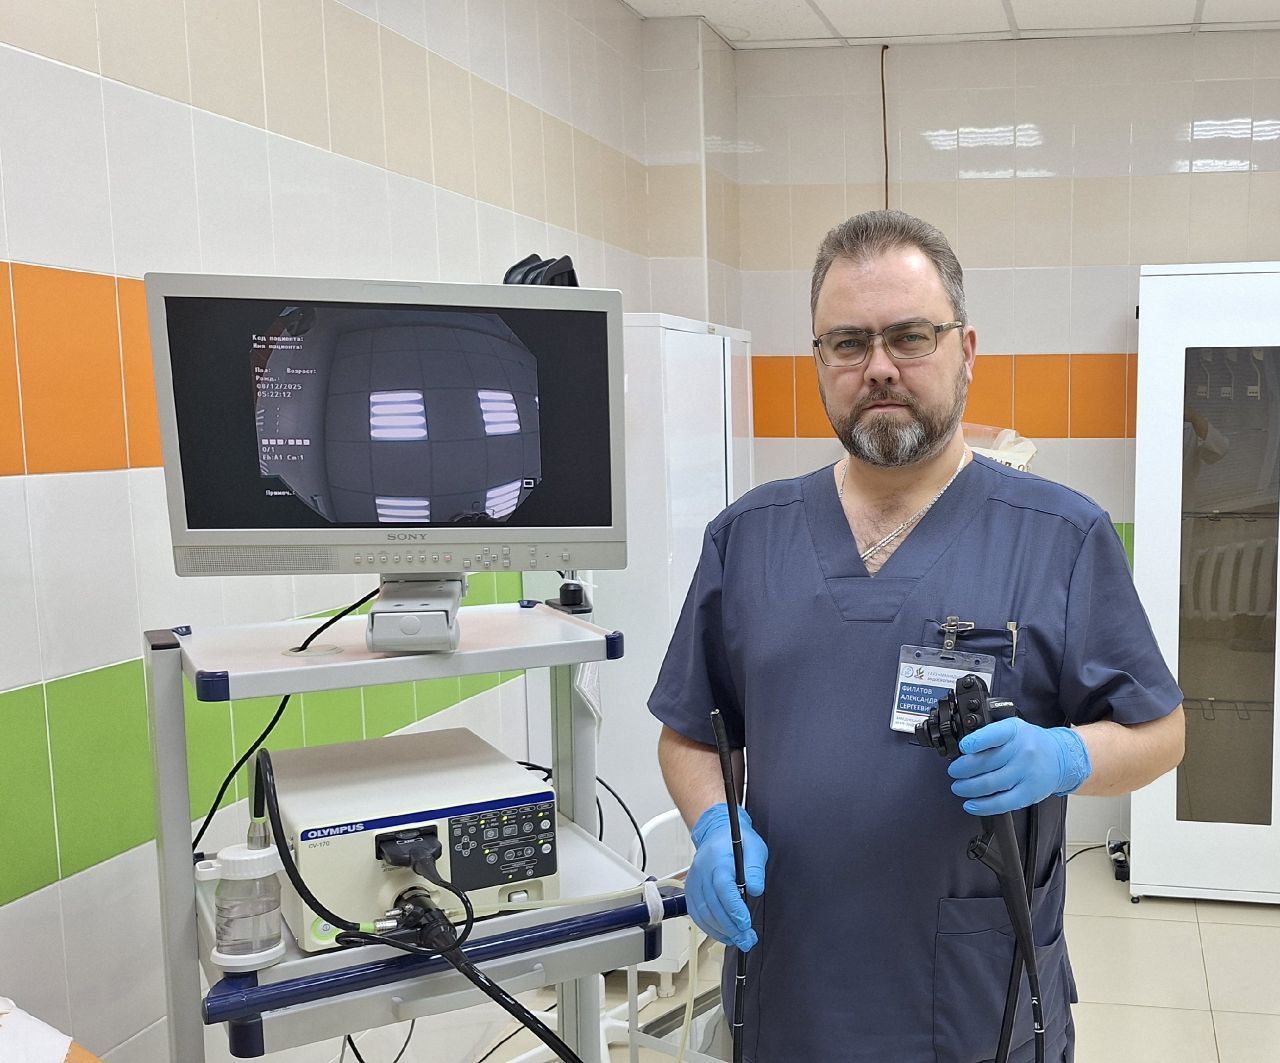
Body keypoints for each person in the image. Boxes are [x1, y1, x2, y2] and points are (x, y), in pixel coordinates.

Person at [648, 210, 1185, 1063]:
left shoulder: (1060, 537)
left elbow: (1162, 733)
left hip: (976, 1002)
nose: (879, 367)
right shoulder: (746, 538)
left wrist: (1066, 755)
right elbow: (688, 731)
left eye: (909, 336)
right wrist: (714, 823)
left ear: (966, 349)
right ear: (819, 360)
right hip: (790, 996)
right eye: (848, 343)